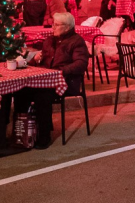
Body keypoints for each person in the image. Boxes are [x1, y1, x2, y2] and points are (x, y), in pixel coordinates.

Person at [19, 12, 89, 149]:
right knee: (21, 92)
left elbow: (81, 63)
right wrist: (35, 59)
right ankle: (22, 133)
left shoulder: (76, 41)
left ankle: (44, 136)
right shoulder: (50, 41)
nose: (53, 27)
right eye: (53, 24)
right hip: (45, 80)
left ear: (67, 27)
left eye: (56, 25)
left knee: (42, 97)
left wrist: (62, 71)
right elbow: (40, 61)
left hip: (66, 82)